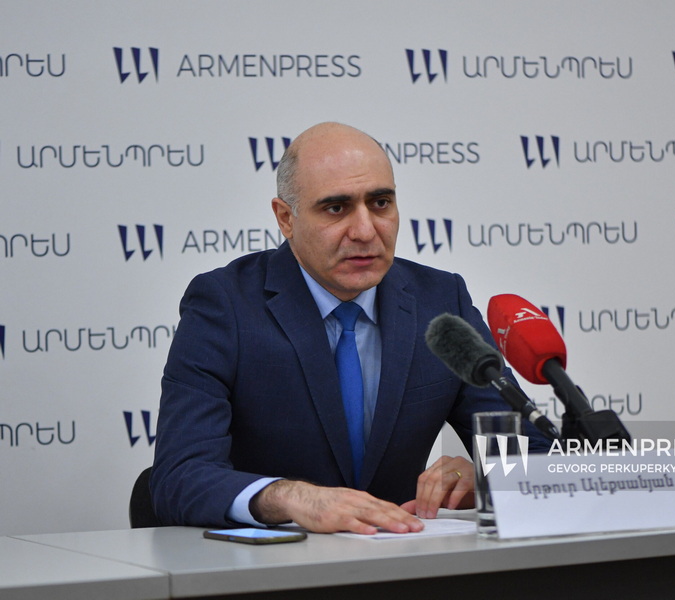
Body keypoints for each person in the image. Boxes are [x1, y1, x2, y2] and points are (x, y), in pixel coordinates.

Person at [150, 122, 548, 534]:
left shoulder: (441, 302)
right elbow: (179, 476)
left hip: (405, 560)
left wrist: (489, 477)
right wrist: (290, 498)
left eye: (380, 203)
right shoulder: (226, 305)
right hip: (274, 565)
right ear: (286, 219)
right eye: (336, 209)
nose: (365, 231)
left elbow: (538, 452)